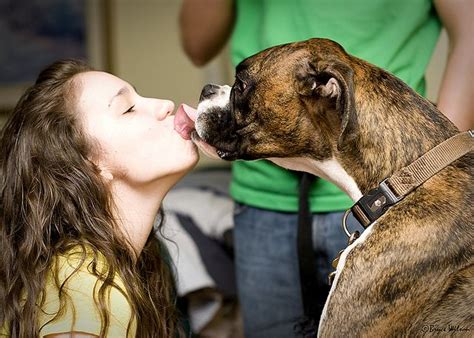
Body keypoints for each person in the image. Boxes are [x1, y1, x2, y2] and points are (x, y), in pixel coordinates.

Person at [180, 0, 474, 337]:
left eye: (243, 89)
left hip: (404, 205)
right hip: (264, 197)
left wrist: (435, 176)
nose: (230, 95)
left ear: (329, 90)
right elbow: (197, 45)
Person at [0, 59, 199, 337]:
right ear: (88, 165)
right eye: (128, 109)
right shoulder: (83, 285)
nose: (165, 103)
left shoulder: (129, 264)